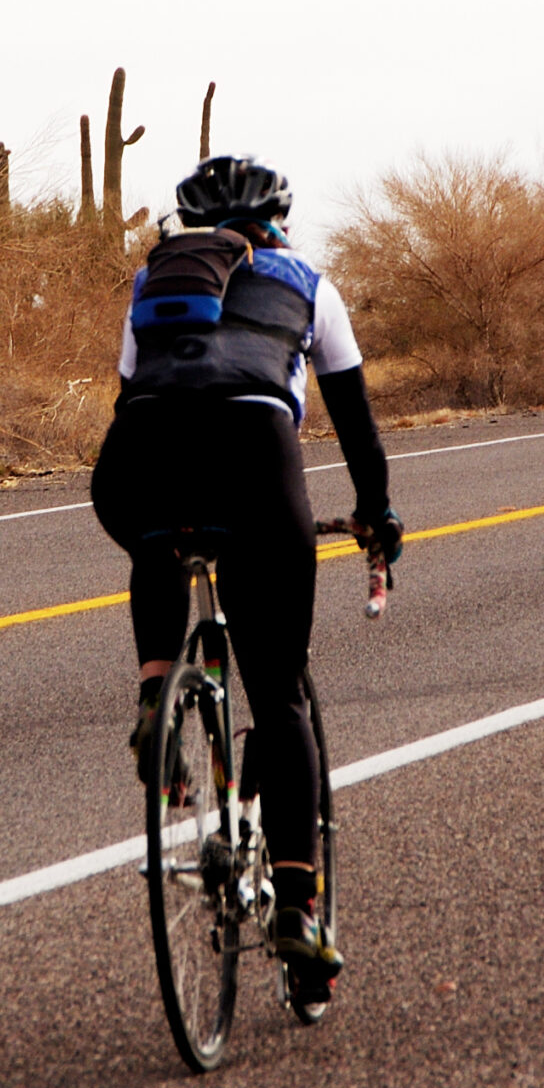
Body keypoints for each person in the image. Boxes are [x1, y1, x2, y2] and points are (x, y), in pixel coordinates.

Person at [89, 154, 401, 1004]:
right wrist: (377, 516)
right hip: (257, 461)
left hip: (138, 460)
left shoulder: (153, 281)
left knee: (156, 540)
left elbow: (134, 396)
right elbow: (357, 427)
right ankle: (299, 908)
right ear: (280, 223)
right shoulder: (310, 282)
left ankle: (157, 692)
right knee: (280, 695)